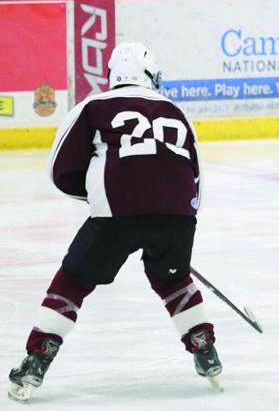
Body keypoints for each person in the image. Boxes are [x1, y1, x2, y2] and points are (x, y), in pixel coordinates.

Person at [7, 42, 221, 403]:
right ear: (151, 76)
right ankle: (204, 346)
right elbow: (196, 175)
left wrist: (100, 195)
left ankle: (37, 358)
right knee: (173, 280)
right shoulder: (176, 110)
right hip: (178, 216)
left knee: (74, 280)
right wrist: (174, 216)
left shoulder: (91, 107)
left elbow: (59, 170)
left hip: (116, 214)